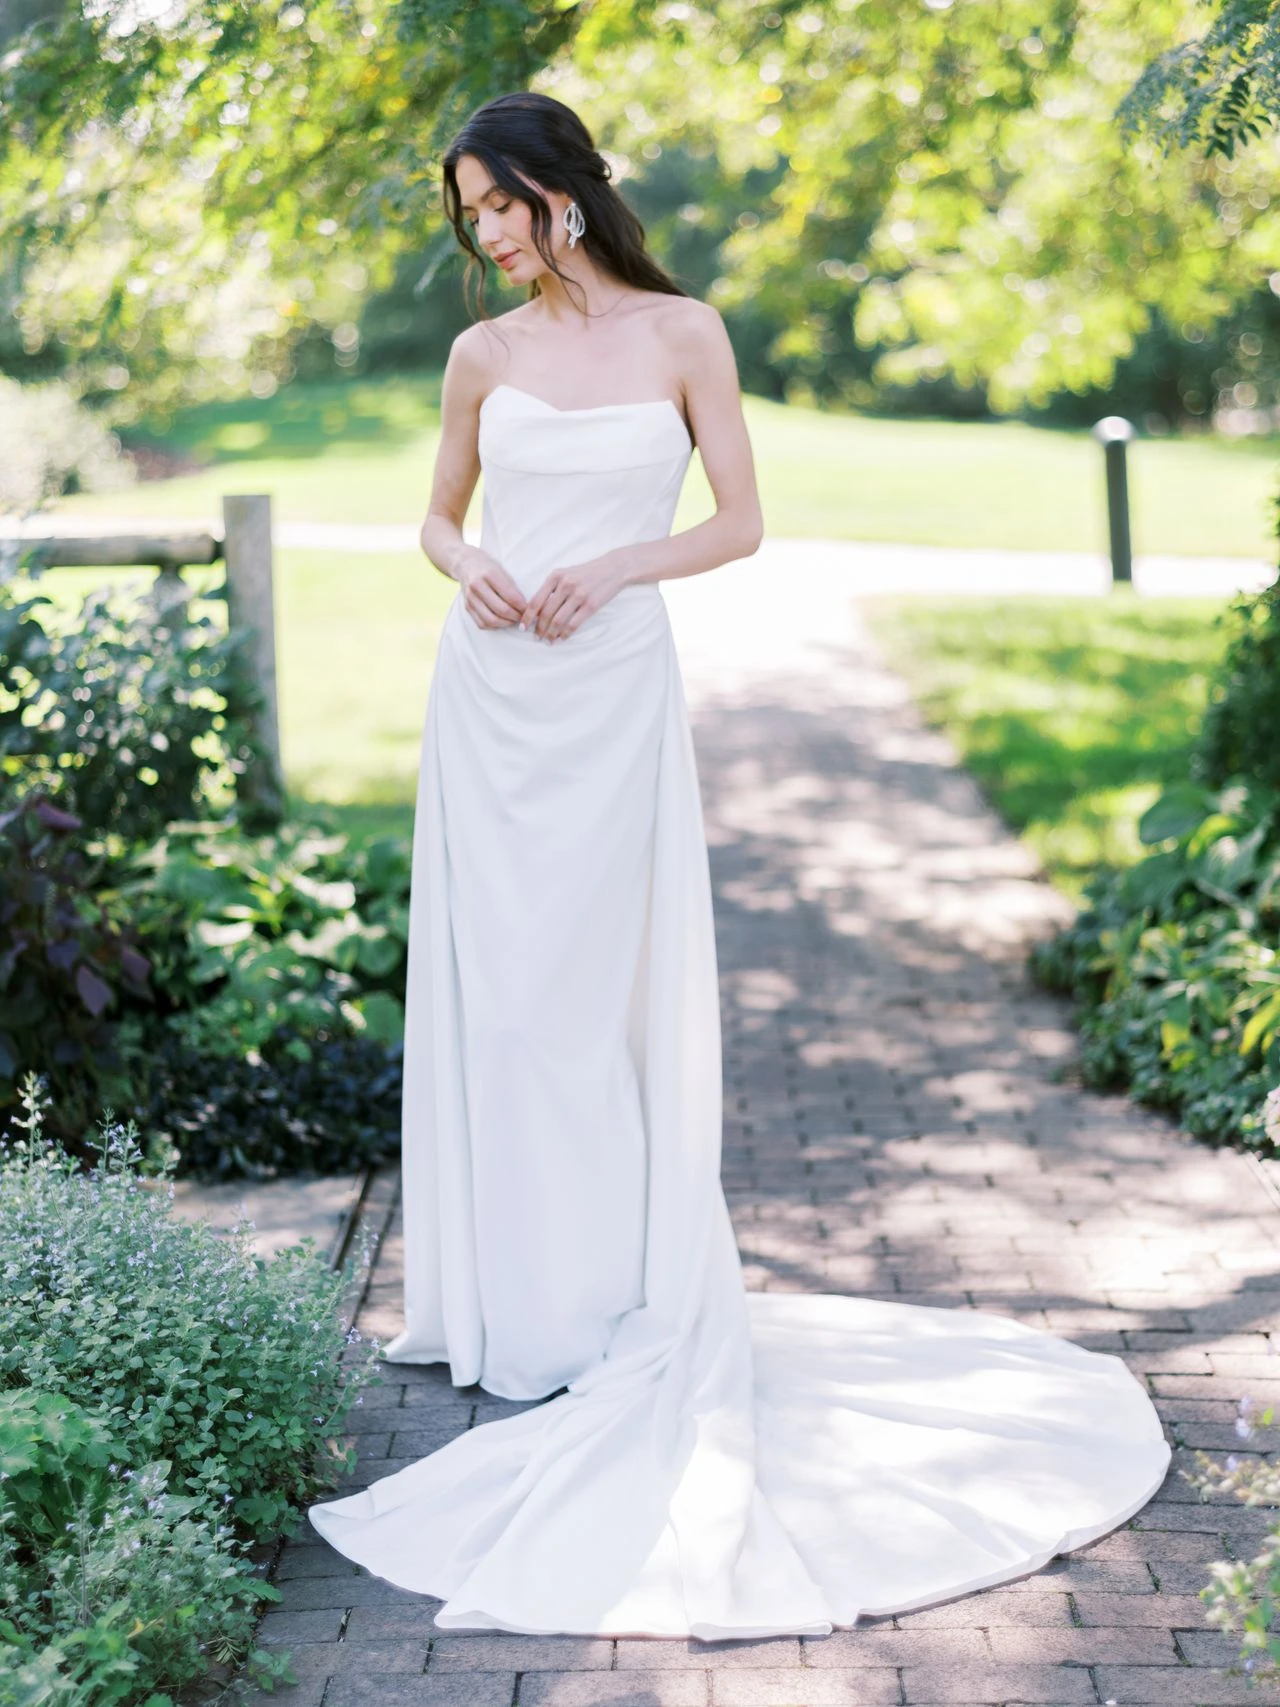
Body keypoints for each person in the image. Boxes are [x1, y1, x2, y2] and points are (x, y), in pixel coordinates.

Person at [309, 89, 1170, 1640]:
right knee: (501, 1001)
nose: (484, 233)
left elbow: (743, 521)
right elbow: (432, 524)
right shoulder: (477, 358)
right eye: (468, 211)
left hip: (615, 682)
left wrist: (616, 560)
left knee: (597, 995)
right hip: (491, 693)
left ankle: (613, 1296)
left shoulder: (684, 332)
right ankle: (510, 1307)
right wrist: (480, 562)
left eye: (500, 202)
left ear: (564, 192)